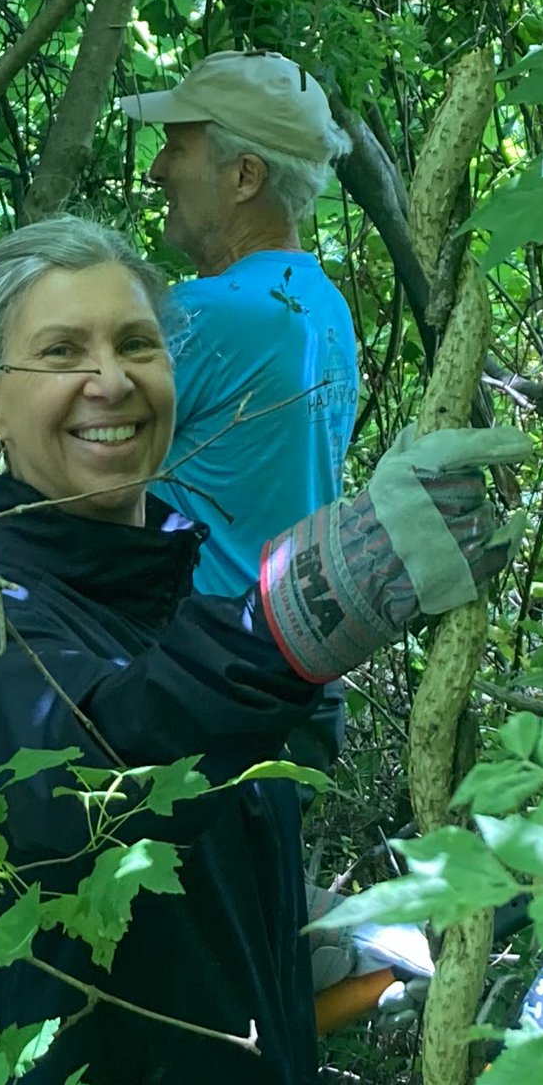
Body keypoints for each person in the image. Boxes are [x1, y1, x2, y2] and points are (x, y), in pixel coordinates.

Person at [0, 215, 531, 1085]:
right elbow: (106, 768)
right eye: (63, 350)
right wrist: (321, 596)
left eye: (136, 344)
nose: (110, 380)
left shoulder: (169, 592)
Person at [119, 49, 357, 774]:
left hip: (210, 686)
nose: (158, 170)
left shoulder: (209, 315)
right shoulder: (323, 305)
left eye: (178, 147)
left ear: (245, 176)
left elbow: (62, 469)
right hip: (299, 675)